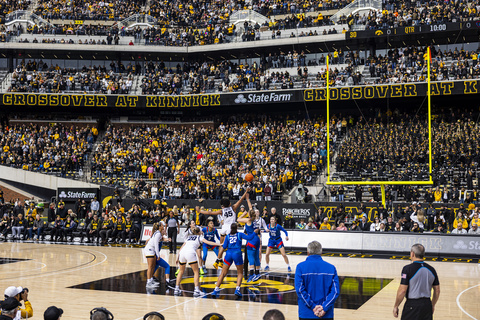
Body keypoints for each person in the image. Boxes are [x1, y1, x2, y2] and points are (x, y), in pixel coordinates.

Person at [196, 188, 250, 269]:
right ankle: (219, 260)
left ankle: (219, 260)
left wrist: (200, 211)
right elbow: (241, 199)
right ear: (229, 204)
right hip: (230, 228)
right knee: (228, 246)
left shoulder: (222, 210)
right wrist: (246, 192)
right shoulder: (233, 208)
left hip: (224, 227)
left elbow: (210, 212)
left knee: (221, 245)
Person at [393, 243, 440, 320]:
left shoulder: (407, 269)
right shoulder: (432, 269)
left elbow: (402, 291)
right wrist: (432, 305)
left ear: (412, 254)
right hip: (427, 305)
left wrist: (396, 306)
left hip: (412, 305)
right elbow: (437, 290)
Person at [295, 241, 340, 319]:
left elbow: (299, 290)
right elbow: (335, 292)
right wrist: (324, 307)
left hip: (306, 314)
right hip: (326, 314)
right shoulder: (331, 268)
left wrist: (313, 306)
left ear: (308, 252)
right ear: (321, 252)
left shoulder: (300, 267)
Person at [211, 223, 255, 298]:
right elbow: (250, 238)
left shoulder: (227, 236)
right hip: (237, 254)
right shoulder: (240, 234)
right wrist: (254, 232)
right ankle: (237, 289)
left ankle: (216, 289)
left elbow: (224, 246)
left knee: (223, 273)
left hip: (228, 254)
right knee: (240, 273)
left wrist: (219, 258)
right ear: (237, 228)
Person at [174, 226, 220, 297]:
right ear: (199, 232)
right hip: (190, 253)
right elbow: (209, 242)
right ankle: (196, 290)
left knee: (181, 271)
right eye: (201, 231)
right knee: (196, 272)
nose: (202, 232)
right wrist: (219, 244)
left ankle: (176, 289)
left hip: (182, 253)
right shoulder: (200, 237)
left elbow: (182, 247)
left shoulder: (188, 238)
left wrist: (178, 257)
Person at [144, 222, 173, 289]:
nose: (163, 226)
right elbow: (156, 245)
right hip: (150, 250)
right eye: (162, 225)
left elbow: (161, 239)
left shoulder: (158, 233)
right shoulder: (157, 234)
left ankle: (151, 280)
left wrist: (167, 239)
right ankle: (148, 283)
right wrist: (158, 254)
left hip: (152, 250)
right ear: (160, 227)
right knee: (150, 267)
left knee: (153, 266)